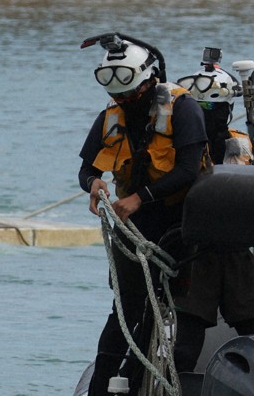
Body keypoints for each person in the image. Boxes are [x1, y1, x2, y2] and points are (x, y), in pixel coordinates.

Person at [78, 33, 209, 396]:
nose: (123, 101)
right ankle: (101, 388)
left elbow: (187, 170)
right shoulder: (112, 115)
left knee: (162, 312)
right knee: (125, 309)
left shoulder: (182, 109)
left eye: (130, 94)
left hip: (179, 224)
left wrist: (140, 197)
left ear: (149, 83)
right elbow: (87, 168)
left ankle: (145, 378)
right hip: (134, 229)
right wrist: (93, 184)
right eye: (116, 96)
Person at [170, 49, 254, 373]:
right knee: (186, 346)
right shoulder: (178, 147)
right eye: (200, 106)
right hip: (193, 256)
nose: (208, 113)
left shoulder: (244, 145)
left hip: (237, 254)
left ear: (228, 108)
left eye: (215, 107)